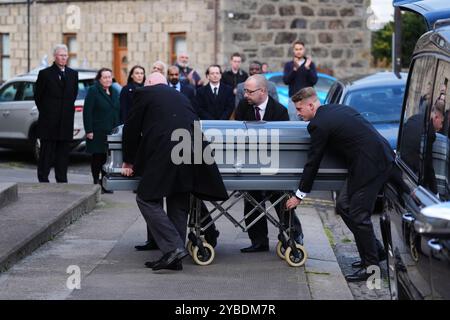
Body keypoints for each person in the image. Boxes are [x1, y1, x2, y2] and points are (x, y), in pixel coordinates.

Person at [121, 72, 228, 271]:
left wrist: (128, 161)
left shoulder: (145, 93)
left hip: (165, 152)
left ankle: (173, 248)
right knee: (178, 200)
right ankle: (174, 258)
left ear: (150, 83)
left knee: (146, 198)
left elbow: (131, 128)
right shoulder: (181, 96)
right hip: (190, 153)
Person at [285, 87, 394, 282]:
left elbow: (313, 161)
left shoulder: (318, 124)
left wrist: (299, 195)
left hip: (371, 165)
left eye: (300, 109)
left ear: (311, 105)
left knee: (359, 215)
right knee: (344, 206)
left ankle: (371, 268)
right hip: (367, 161)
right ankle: (375, 251)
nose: (298, 114)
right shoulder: (336, 109)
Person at [235, 74, 304, 252]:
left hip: (274, 164)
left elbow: (285, 140)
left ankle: (293, 234)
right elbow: (237, 132)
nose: (246, 95)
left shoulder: (279, 111)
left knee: (280, 199)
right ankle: (259, 241)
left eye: (249, 92)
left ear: (263, 91)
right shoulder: (243, 106)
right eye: (245, 91)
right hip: (251, 162)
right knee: (251, 200)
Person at [34, 44, 79, 183]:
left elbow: (73, 95)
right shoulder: (45, 74)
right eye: (61, 55)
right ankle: (43, 177)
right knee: (47, 152)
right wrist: (48, 112)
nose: (64, 58)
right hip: (49, 121)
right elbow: (38, 97)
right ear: (55, 56)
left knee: (63, 153)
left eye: (66, 55)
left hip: (65, 121)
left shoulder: (73, 74)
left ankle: (62, 178)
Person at [83, 68, 120, 193]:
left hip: (111, 132)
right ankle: (95, 182)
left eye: (109, 77)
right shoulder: (94, 91)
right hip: (97, 131)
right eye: (105, 77)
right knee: (97, 157)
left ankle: (105, 184)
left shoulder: (114, 91)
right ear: (99, 79)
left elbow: (117, 111)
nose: (108, 79)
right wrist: (89, 130)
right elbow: (87, 111)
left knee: (108, 159)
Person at [283, 41, 318, 120]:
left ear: (304, 50)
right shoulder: (289, 65)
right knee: (294, 123)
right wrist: (294, 69)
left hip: (308, 99)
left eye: (300, 49)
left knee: (309, 122)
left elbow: (314, 81)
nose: (298, 51)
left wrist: (307, 68)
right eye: (296, 49)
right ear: (293, 50)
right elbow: (286, 81)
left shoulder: (310, 64)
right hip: (294, 99)